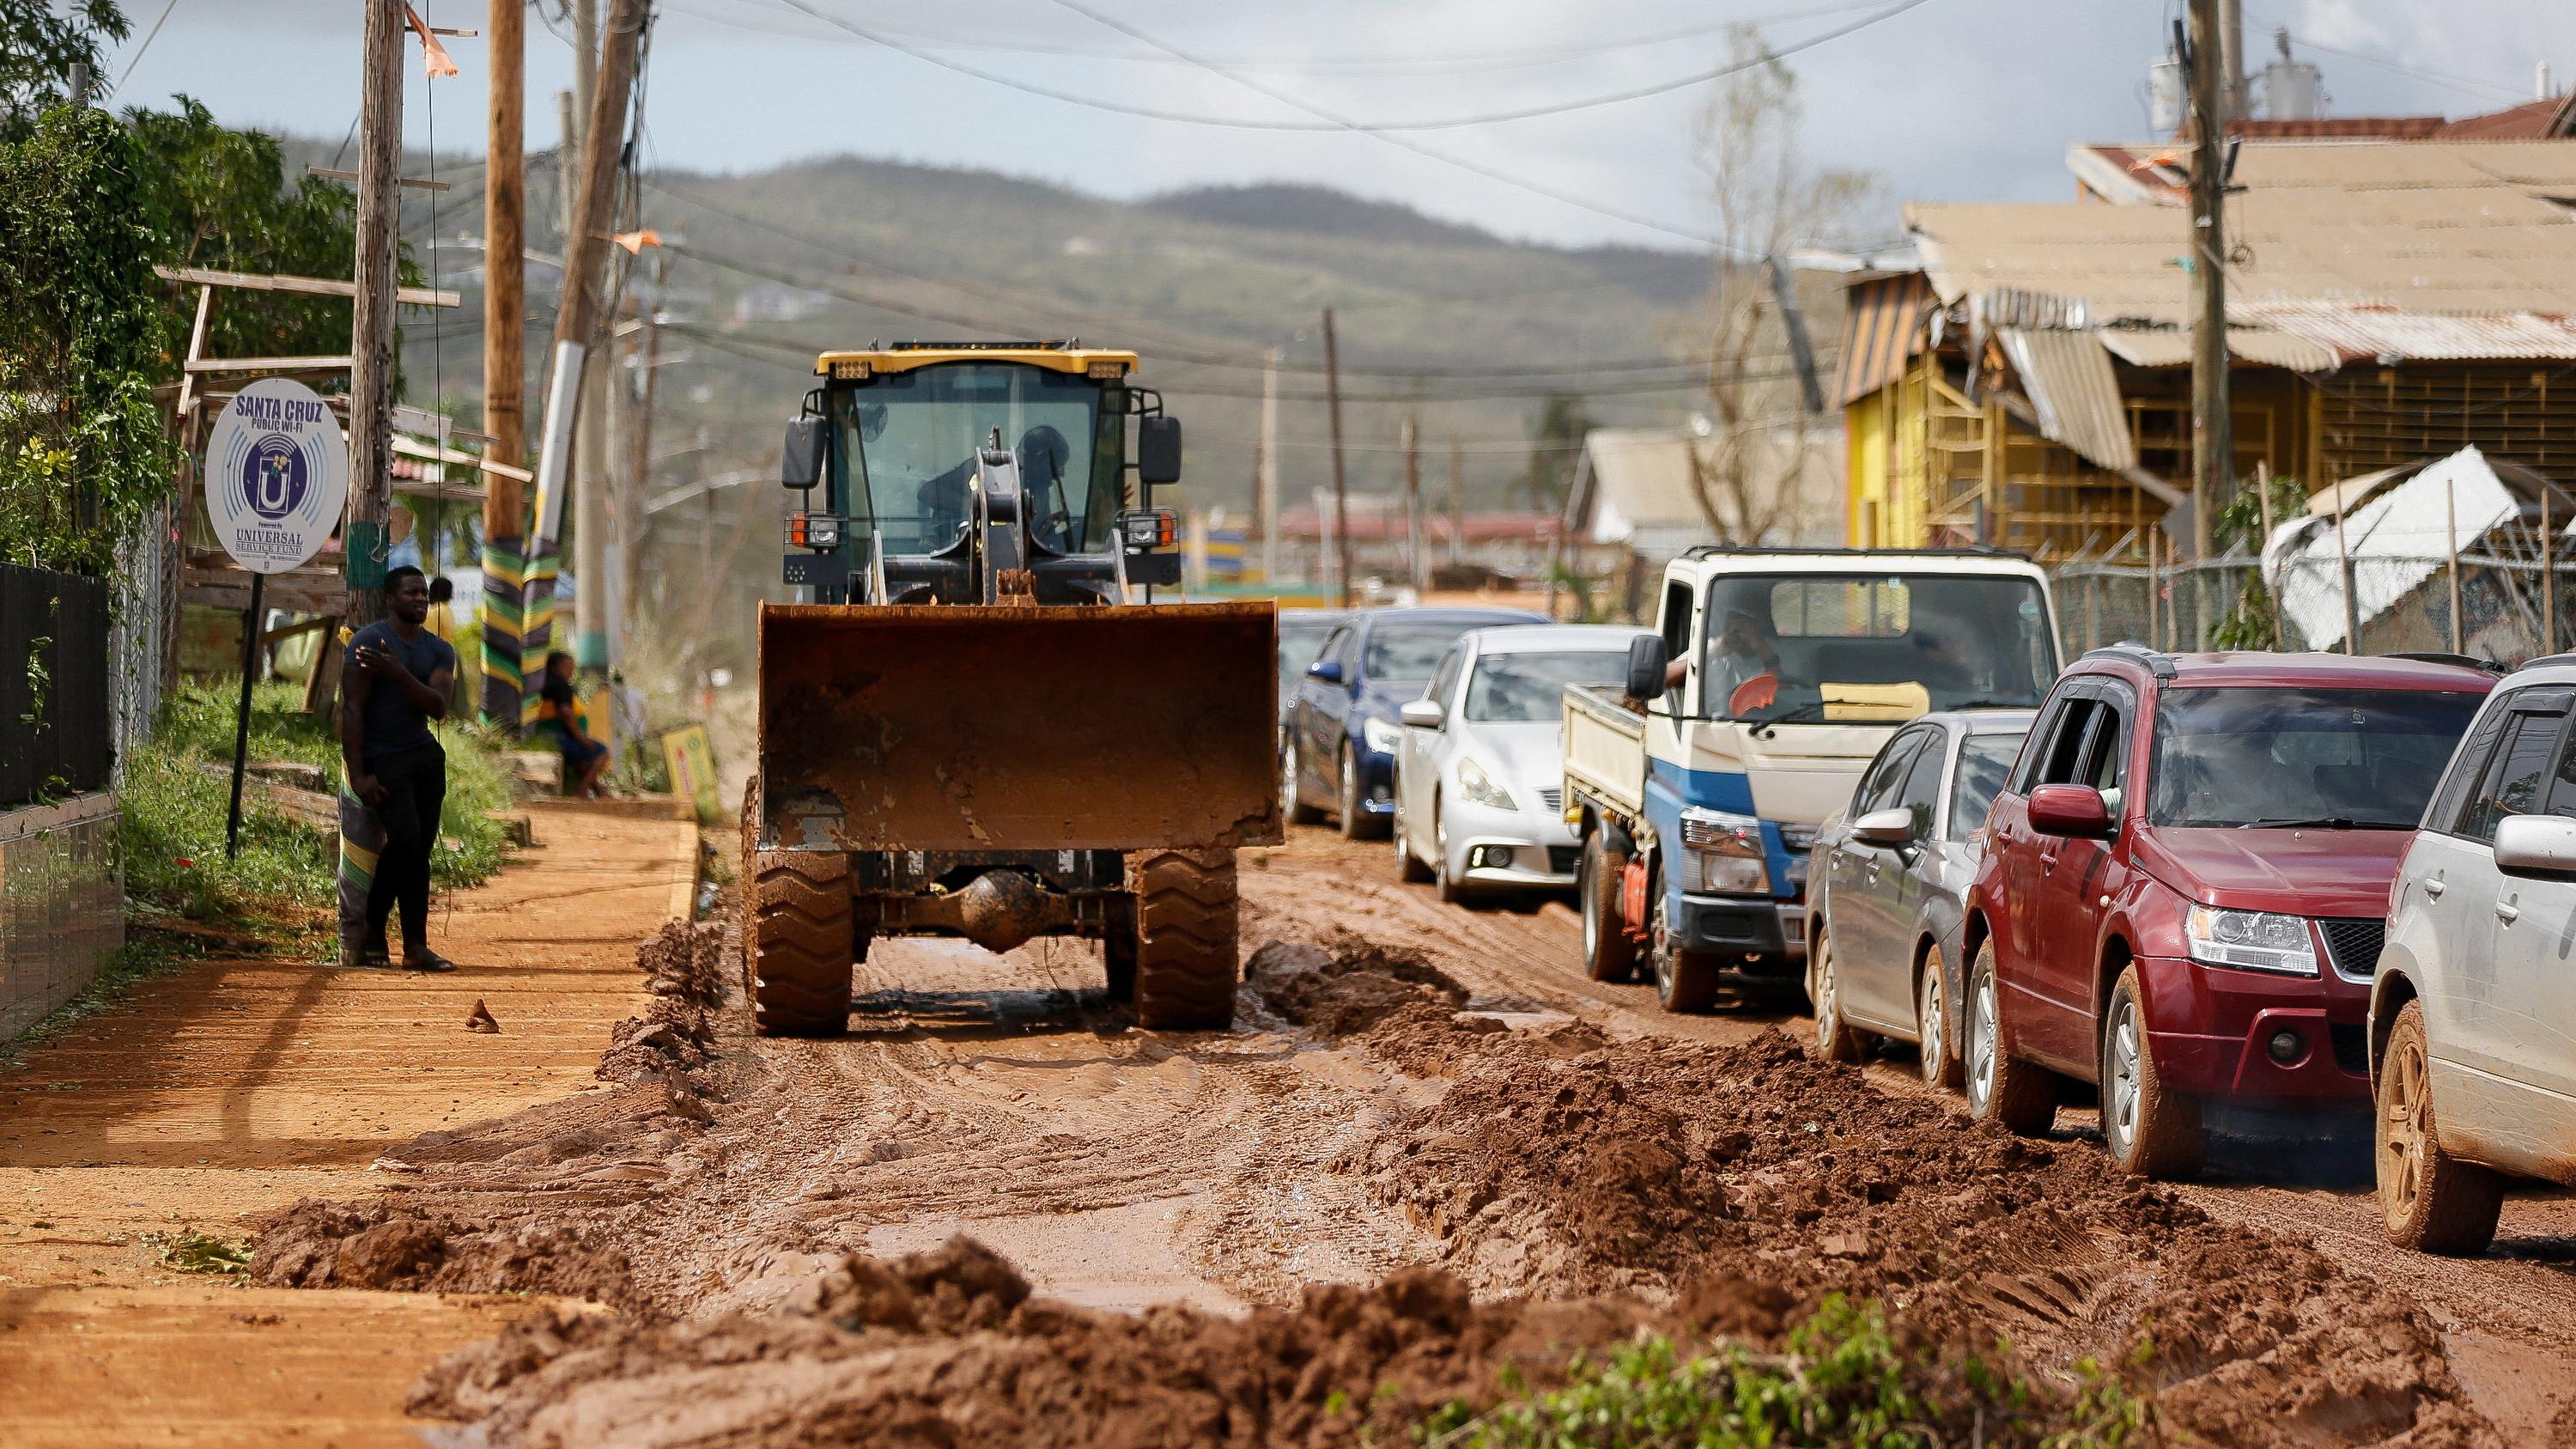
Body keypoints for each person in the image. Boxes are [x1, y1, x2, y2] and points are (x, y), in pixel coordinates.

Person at [341, 565, 459, 971]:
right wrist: (357, 775)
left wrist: (397, 673)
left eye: (424, 593)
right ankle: (373, 927)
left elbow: (438, 707)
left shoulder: (439, 650)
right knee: (405, 838)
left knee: (419, 851)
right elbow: (353, 710)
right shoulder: (367, 642)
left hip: (423, 756)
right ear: (390, 599)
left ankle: (415, 946)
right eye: (411, 593)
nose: (420, 599)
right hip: (382, 757)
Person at [536, 650, 611, 798]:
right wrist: (580, 737)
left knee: (583, 761)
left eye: (572, 667)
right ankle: (581, 791)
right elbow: (566, 713)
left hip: (542, 736)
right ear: (553, 668)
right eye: (566, 666)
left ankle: (600, 792)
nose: (570, 671)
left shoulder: (542, 683)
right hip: (557, 738)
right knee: (602, 752)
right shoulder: (561, 685)